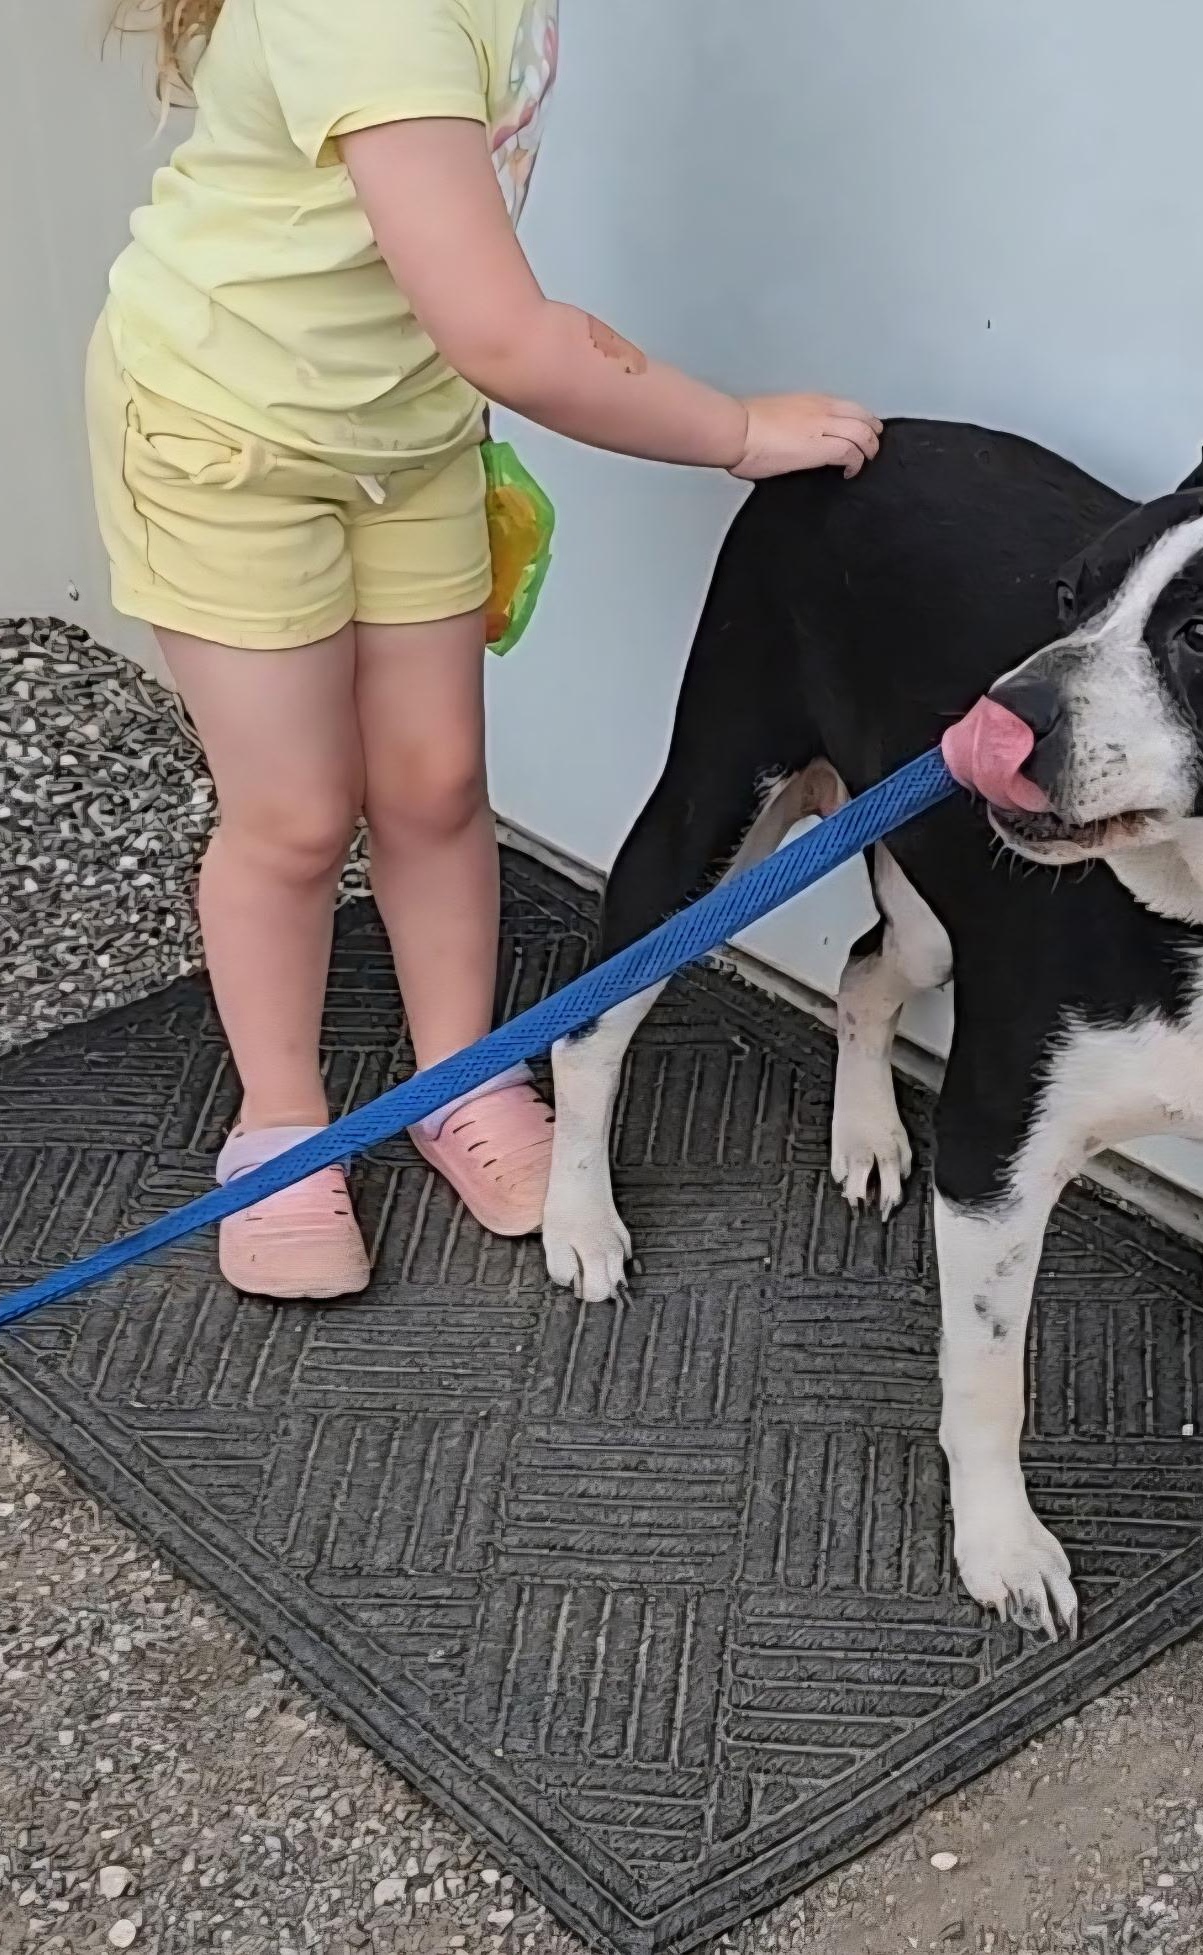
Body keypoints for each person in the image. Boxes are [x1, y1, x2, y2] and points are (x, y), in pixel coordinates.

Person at [90, 0, 881, 1301]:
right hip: (224, 442)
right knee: (292, 820)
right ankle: (284, 1128)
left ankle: (454, 1075)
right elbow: (509, 336)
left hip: (405, 435)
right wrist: (734, 429)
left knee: (439, 784)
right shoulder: (367, 21)